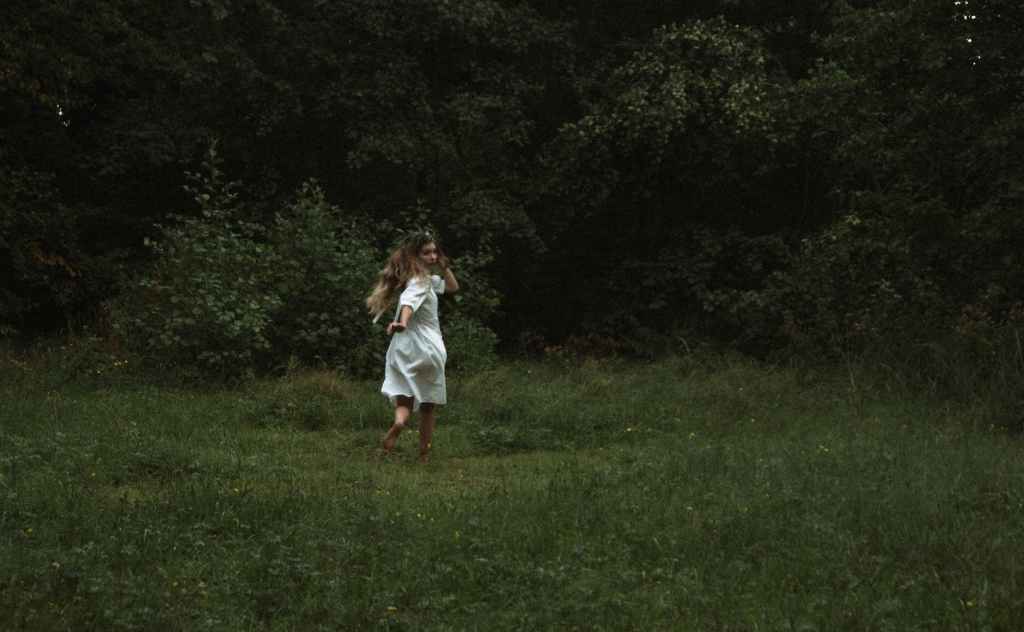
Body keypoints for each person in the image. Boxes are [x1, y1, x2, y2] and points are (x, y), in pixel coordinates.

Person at [366, 231, 459, 462]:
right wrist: (403, 321)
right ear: (415, 257)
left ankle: (399, 423)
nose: (433, 256)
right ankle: (424, 455)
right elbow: (410, 303)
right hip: (431, 348)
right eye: (427, 253)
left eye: (435, 252)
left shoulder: (423, 281)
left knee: (404, 398)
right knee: (428, 406)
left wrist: (444, 268)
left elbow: (451, 287)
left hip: (406, 348)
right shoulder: (421, 282)